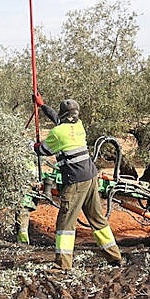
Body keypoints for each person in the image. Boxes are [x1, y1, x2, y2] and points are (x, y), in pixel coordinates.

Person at [33, 95, 123, 270]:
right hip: (91, 177)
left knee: (65, 223)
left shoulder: (58, 133)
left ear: (63, 115)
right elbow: (57, 120)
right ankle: (114, 257)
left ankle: (63, 265)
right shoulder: (79, 125)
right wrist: (42, 105)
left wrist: (31, 144)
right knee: (97, 219)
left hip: (75, 182)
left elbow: (42, 150)